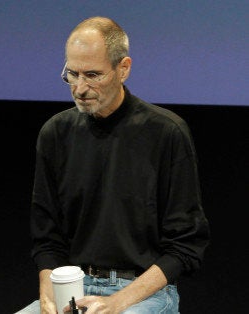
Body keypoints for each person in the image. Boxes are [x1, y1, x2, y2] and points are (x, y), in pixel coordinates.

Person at [16, 16, 210, 313]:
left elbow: (186, 246)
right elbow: (46, 239)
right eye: (72, 74)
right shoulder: (55, 133)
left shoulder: (166, 133)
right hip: (74, 287)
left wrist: (117, 302)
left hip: (143, 293)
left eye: (93, 75)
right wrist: (48, 293)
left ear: (124, 69)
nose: (80, 88)